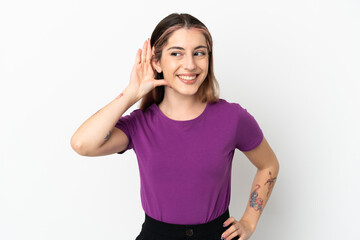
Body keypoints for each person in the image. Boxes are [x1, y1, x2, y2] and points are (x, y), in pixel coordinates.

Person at [71, 13, 279, 240]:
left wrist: (249, 221)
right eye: (176, 53)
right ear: (157, 62)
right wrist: (130, 94)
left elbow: (268, 164)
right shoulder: (140, 124)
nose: (190, 65)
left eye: (199, 53)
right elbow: (82, 144)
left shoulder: (233, 117)